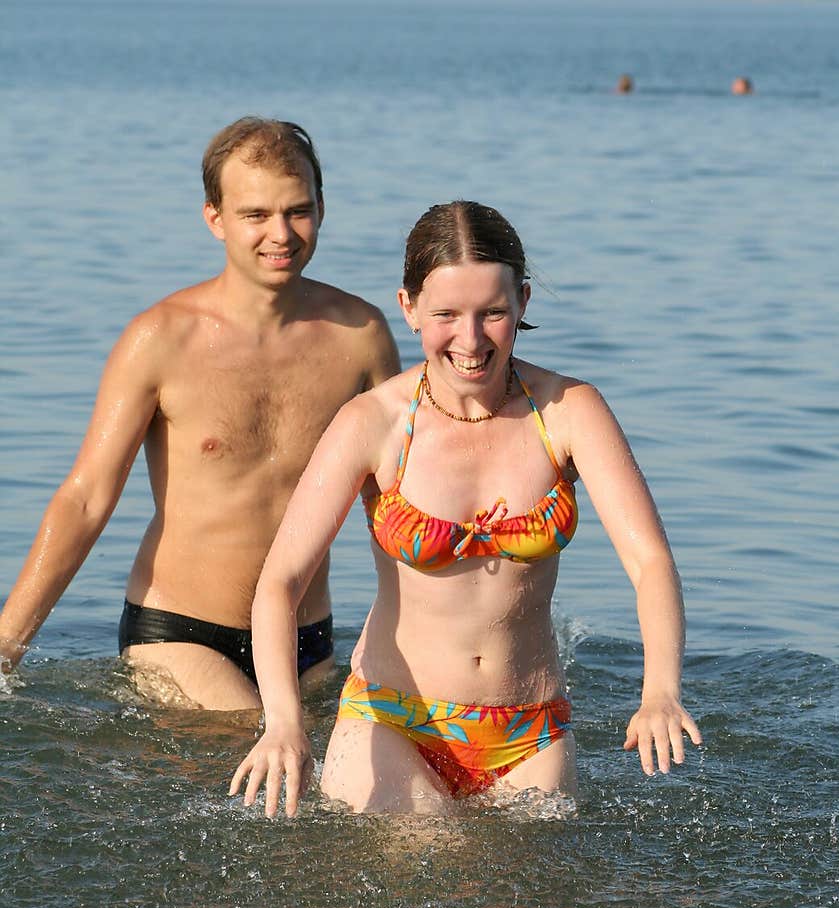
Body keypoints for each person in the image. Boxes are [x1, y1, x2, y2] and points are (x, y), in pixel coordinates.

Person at [230, 200, 702, 816]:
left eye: (494, 313)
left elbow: (650, 563)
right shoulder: (372, 423)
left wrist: (661, 691)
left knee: (526, 906)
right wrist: (284, 724)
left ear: (524, 303)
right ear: (409, 308)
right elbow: (279, 582)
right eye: (447, 315)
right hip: (391, 719)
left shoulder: (568, 412)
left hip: (531, 728)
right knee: (429, 855)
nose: (471, 340)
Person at [0, 117, 400, 709]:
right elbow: (86, 498)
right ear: (215, 218)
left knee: (336, 784)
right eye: (256, 215)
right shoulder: (160, 339)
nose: (281, 234)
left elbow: (396, 498)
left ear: (321, 207)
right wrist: (7, 647)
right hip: (182, 632)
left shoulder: (361, 336)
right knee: (256, 747)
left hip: (305, 637)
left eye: (297, 210)